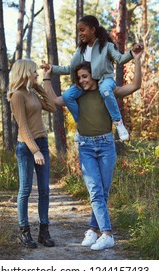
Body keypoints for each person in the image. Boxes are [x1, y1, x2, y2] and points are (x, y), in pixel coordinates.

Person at [42, 48, 143, 250]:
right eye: (79, 78)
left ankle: (92, 229)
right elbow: (55, 100)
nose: (82, 81)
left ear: (94, 74)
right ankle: (107, 234)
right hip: (86, 147)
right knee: (95, 191)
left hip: (106, 146)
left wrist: (137, 61)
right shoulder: (77, 95)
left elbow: (135, 85)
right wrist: (46, 77)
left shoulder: (108, 91)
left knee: (102, 193)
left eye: (85, 76)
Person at [43, 15, 143, 141]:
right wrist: (52, 69)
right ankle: (81, 126)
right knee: (68, 96)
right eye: (78, 31)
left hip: (104, 80)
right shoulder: (81, 50)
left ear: (93, 29)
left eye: (82, 30)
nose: (80, 33)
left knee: (105, 90)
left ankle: (118, 123)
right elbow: (71, 69)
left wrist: (132, 54)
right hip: (87, 85)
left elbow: (121, 60)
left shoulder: (106, 46)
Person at [7, 59, 57, 249]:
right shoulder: (17, 96)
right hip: (26, 147)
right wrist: (34, 150)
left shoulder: (31, 93)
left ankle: (44, 232)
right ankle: (24, 231)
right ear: (25, 72)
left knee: (44, 189)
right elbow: (23, 126)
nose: (37, 74)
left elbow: (52, 107)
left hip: (42, 143)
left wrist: (39, 87)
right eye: (34, 72)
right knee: (26, 189)